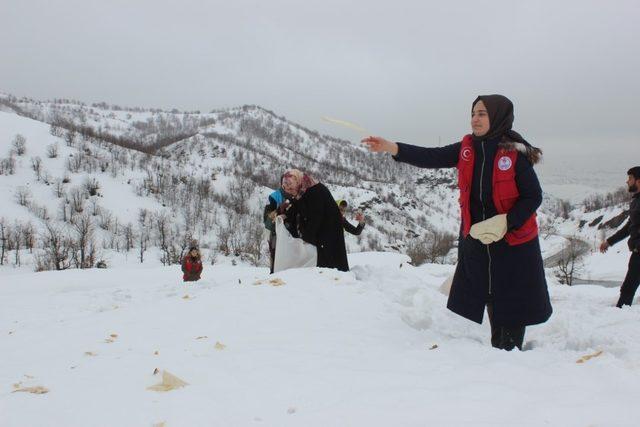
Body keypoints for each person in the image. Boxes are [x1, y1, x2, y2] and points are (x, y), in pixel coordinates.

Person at [362, 94, 552, 351]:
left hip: (512, 240)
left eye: (482, 114)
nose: (475, 119)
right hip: (478, 238)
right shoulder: (467, 148)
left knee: (511, 299)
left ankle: (509, 352)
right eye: (473, 113)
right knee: (490, 293)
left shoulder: (514, 154)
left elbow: (533, 196)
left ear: (497, 117)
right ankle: (501, 348)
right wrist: (391, 147)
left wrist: (506, 222)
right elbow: (431, 157)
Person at [281, 169, 349, 271]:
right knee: (320, 260)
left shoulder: (315, 190)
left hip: (329, 228)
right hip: (319, 227)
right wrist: (286, 215)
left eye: (291, 189)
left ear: (297, 182)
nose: (290, 192)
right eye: (287, 190)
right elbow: (296, 204)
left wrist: (307, 237)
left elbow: (316, 216)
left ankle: (337, 279)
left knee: (330, 261)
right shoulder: (301, 190)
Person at [599, 167, 640, 307]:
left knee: (628, 288)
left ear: (638, 181)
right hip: (637, 252)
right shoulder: (636, 201)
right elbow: (630, 227)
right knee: (628, 287)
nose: (627, 181)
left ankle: (620, 315)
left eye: (630, 178)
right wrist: (609, 242)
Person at [263, 176, 294, 274]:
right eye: (286, 183)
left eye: (291, 183)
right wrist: (279, 210)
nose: (289, 186)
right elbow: (267, 220)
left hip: (292, 237)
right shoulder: (273, 197)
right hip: (276, 236)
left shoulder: (296, 196)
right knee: (276, 265)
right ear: (282, 184)